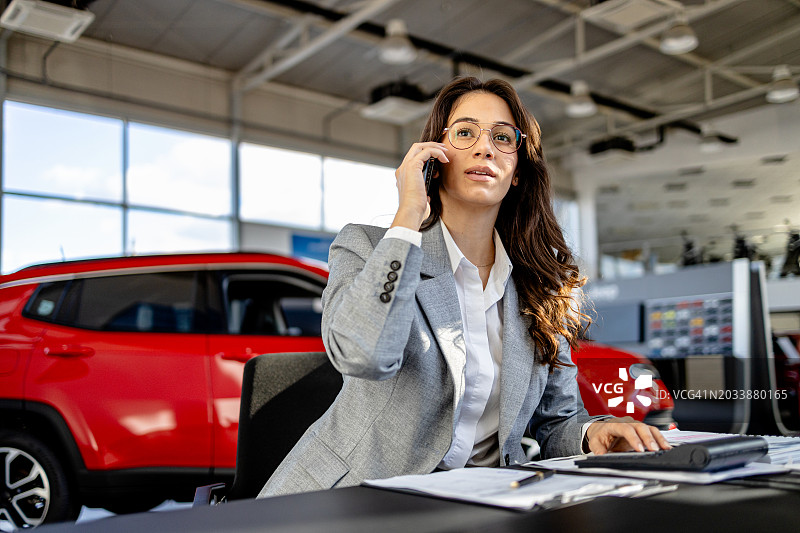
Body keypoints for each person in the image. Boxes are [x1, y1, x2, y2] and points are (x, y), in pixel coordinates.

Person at [258, 76, 669, 498]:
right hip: (354, 497)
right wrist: (409, 214)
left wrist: (592, 434)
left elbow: (557, 422)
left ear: (517, 172)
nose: (484, 147)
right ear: (434, 159)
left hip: (481, 501)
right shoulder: (370, 247)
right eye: (465, 132)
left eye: (502, 137)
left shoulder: (541, 286)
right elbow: (364, 355)